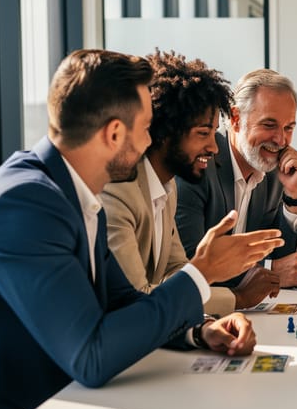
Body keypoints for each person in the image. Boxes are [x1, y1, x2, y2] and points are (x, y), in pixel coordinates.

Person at [0, 49, 284, 409]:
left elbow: (124, 302)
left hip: (70, 403)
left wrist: (198, 330)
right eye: (146, 127)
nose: (149, 141)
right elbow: (91, 356)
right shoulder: (23, 205)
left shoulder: (77, 194)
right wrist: (201, 272)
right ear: (115, 133)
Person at [102, 51, 280, 317]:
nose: (213, 147)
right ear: (166, 132)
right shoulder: (117, 194)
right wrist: (235, 296)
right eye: (202, 134)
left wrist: (204, 328)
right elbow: (137, 299)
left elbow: (175, 272)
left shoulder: (167, 188)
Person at [176, 69, 297, 288]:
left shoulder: (272, 171)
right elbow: (189, 266)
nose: (281, 140)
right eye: (269, 125)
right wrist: (269, 270)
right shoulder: (199, 165)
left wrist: (294, 197)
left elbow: (293, 264)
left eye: (288, 128)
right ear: (235, 118)